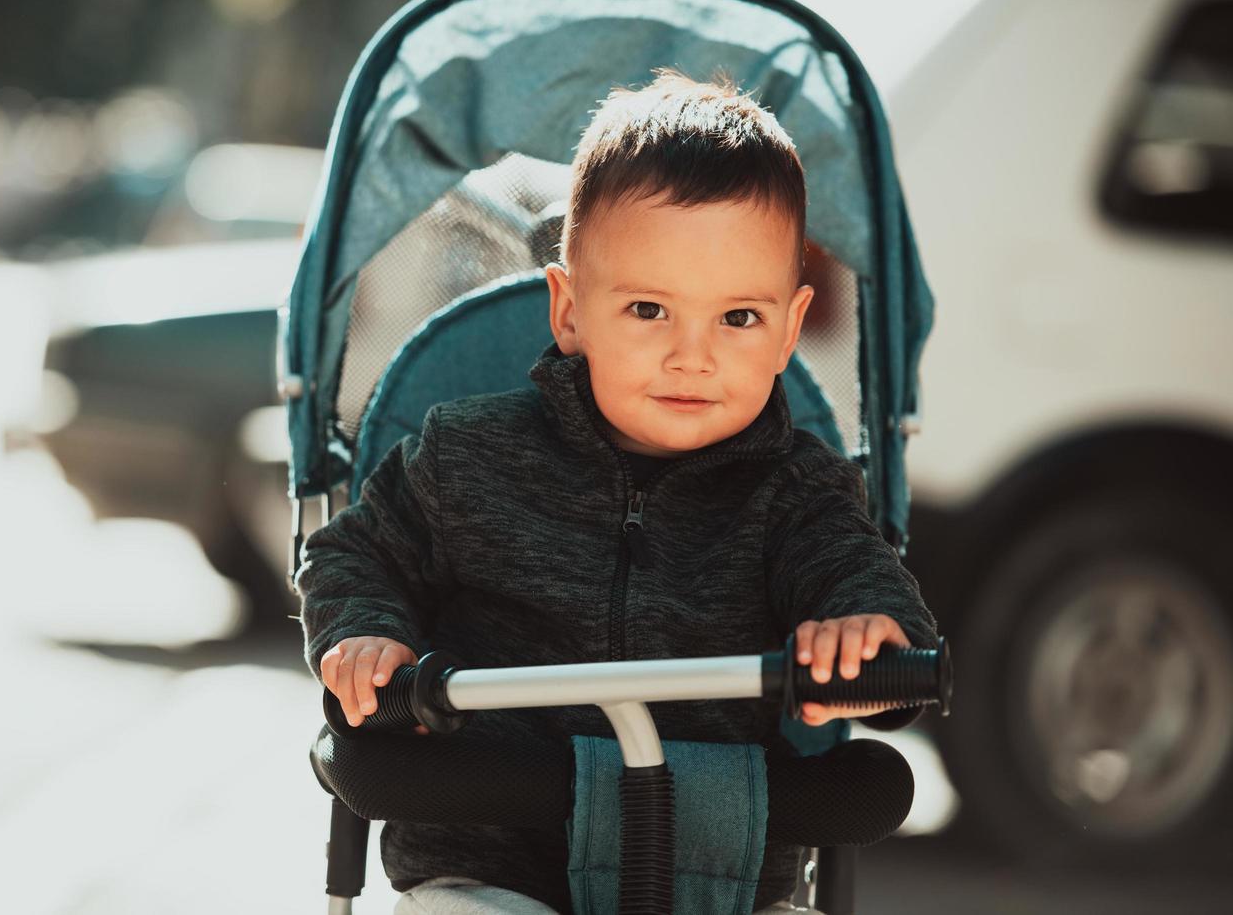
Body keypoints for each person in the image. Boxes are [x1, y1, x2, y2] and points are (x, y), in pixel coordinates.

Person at [296, 70, 937, 914]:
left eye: (738, 319)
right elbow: (352, 555)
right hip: (491, 859)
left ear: (788, 328)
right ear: (569, 311)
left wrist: (866, 637)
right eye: (648, 310)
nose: (692, 355)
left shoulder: (803, 493)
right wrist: (370, 636)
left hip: (720, 872)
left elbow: (859, 575)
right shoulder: (466, 454)